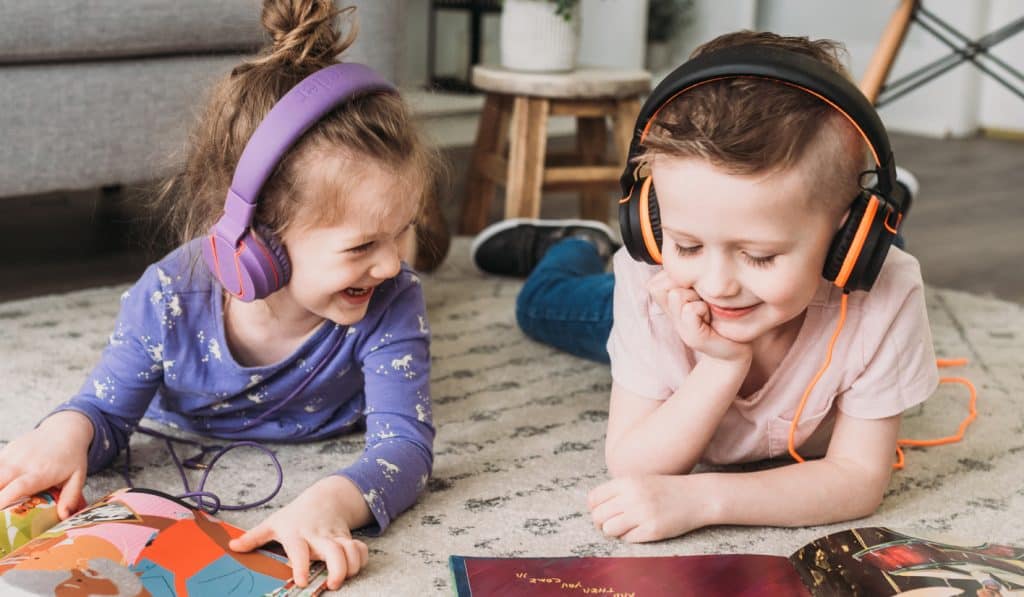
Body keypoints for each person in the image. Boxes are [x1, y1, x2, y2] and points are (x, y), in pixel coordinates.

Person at [0, 0, 444, 589]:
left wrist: (332, 504)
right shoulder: (166, 297)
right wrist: (66, 433)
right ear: (256, 242)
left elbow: (406, 446)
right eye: (362, 246)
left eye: (403, 229)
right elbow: (105, 413)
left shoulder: (392, 298)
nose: (393, 264)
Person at [473, 31, 938, 542]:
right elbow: (632, 462)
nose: (717, 286)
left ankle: (885, 216)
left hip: (831, 266)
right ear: (648, 224)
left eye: (759, 255)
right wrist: (721, 365)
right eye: (688, 244)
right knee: (539, 306)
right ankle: (575, 243)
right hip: (671, 309)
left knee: (888, 250)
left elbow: (858, 479)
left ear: (850, 243)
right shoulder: (654, 277)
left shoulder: (887, 294)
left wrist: (703, 498)